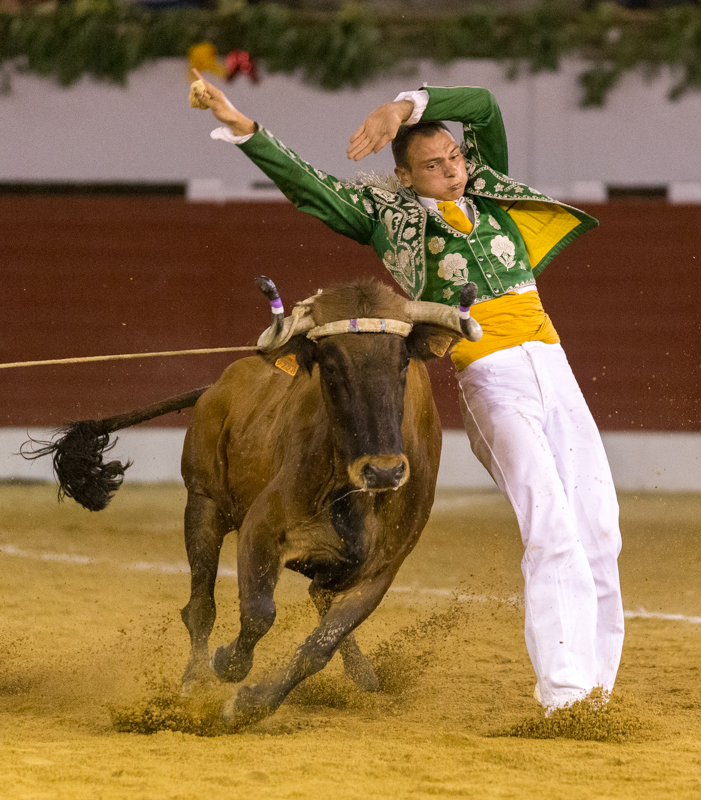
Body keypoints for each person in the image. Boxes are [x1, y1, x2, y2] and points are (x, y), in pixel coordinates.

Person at [190, 73, 624, 713]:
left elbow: (484, 106)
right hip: (492, 374)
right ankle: (563, 695)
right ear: (404, 178)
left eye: (454, 158)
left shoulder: (488, 187)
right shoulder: (386, 220)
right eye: (432, 165)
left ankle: (596, 692)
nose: (451, 171)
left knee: (601, 531)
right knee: (552, 526)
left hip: (552, 364)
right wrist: (239, 123)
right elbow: (307, 184)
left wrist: (405, 106)